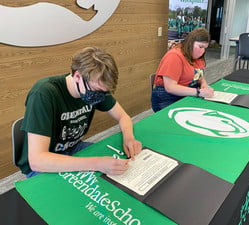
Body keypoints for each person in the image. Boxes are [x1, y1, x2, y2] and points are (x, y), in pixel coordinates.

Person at [18, 47, 142, 178]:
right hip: (46, 161)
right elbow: (38, 161)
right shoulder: (44, 93)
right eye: (96, 90)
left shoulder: (96, 89)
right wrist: (97, 163)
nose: (100, 97)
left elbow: (123, 116)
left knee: (117, 167)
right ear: (77, 76)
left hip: (73, 148)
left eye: (104, 92)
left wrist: (129, 138)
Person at [151, 28, 214, 112]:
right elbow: (170, 87)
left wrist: (203, 83)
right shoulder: (174, 56)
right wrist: (199, 92)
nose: (202, 51)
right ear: (190, 43)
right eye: (200, 46)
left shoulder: (197, 56)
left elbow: (199, 73)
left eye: (205, 48)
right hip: (168, 97)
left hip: (188, 93)